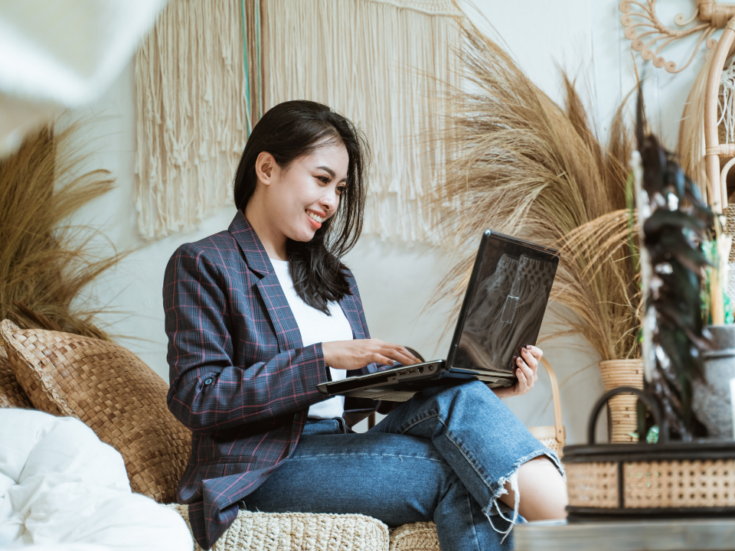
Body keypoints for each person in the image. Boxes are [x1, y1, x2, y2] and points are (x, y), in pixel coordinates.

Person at [164, 100, 567, 550]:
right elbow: (195, 396)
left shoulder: (334, 277)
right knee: (461, 473)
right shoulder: (205, 263)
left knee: (464, 396)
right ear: (266, 168)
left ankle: (581, 524)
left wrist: (490, 384)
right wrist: (322, 358)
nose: (331, 202)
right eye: (321, 180)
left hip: (334, 450)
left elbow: (363, 397)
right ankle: (589, 530)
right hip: (261, 465)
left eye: (339, 188)